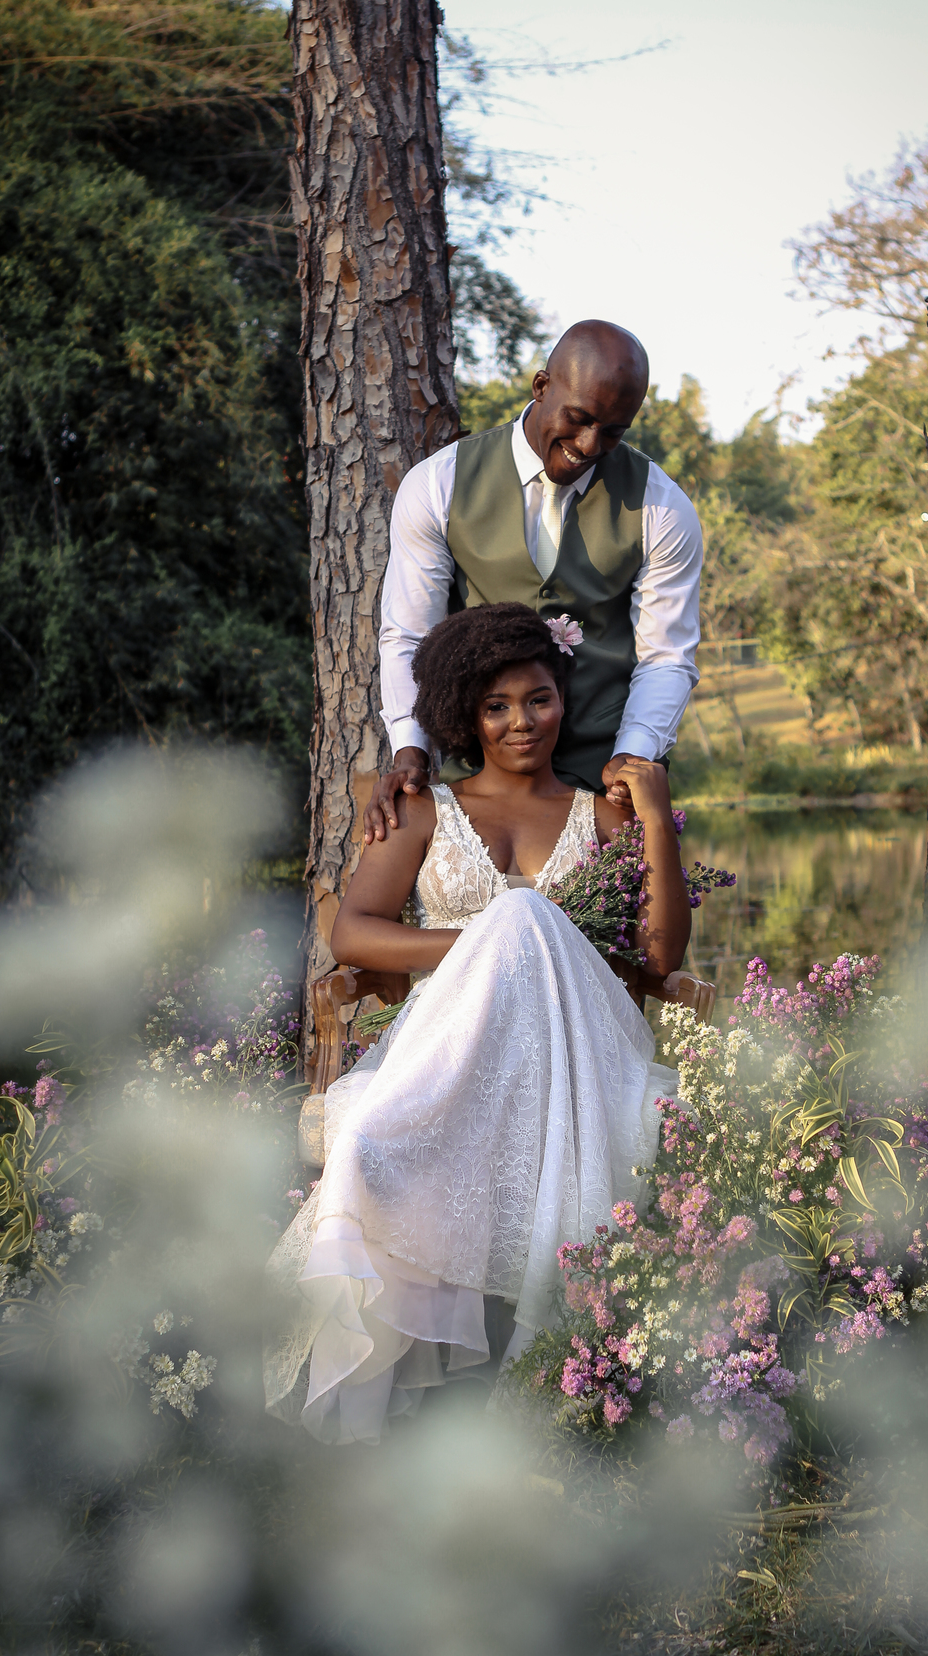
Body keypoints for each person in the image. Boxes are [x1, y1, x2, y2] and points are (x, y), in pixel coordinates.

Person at [264, 603, 692, 1444]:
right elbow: (353, 932)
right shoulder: (425, 810)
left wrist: (654, 820)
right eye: (496, 706)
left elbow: (661, 951)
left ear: (562, 698)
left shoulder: (599, 816)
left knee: (526, 922)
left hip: (574, 1048)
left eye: (538, 699)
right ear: (467, 714)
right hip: (450, 1044)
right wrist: (487, 942)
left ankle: (558, 1385)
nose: (521, 721)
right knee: (372, 1138)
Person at [364, 318, 703, 840]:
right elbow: (411, 634)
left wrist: (632, 754)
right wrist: (411, 747)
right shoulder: (437, 484)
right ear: (541, 386)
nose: (590, 445)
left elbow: (666, 656)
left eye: (613, 431)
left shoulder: (661, 506)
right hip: (472, 785)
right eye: (580, 417)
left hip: (602, 787)